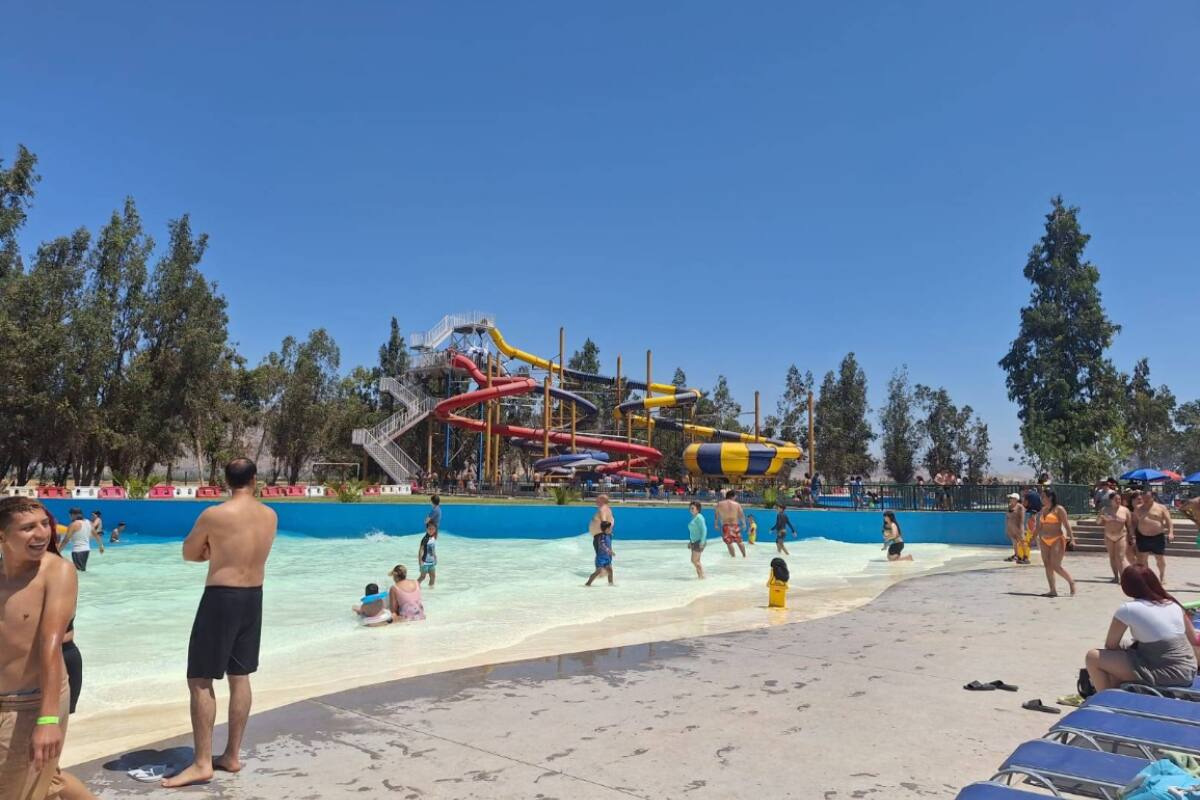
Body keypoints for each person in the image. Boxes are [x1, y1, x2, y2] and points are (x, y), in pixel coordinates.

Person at [164, 458, 277, 789]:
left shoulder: (215, 514)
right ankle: (231, 754)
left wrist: (208, 553)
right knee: (239, 676)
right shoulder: (270, 516)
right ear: (255, 479)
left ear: (226, 480)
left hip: (221, 598)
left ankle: (202, 763)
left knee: (199, 679)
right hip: (253, 597)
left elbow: (188, 552)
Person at [0, 497, 97, 800]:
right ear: (2, 537)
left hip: (33, 699)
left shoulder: (56, 572)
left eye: (44, 524)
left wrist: (47, 720)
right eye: (28, 528)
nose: (42, 533)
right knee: (46, 777)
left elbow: (50, 645)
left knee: (15, 788)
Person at [1085, 565, 1198, 692]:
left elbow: (1110, 645)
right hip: (1188, 669)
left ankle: (1104, 698)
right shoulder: (1172, 604)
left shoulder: (1128, 609)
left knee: (1093, 657)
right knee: (1124, 645)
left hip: (1168, 673)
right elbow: (1193, 639)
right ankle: (1116, 686)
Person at [1035, 488, 1076, 598]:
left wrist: (1072, 538)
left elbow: (1067, 525)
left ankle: (1071, 582)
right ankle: (1052, 590)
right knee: (1047, 565)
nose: (1041, 498)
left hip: (1057, 539)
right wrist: (1030, 540)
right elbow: (1038, 527)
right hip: (1044, 540)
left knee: (1055, 565)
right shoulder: (1042, 510)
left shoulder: (1059, 509)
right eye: (1041, 496)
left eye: (1043, 496)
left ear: (1050, 497)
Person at [1132, 489, 1175, 584]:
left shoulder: (1161, 507)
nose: (1145, 500)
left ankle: (1162, 576)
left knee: (1160, 559)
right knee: (1142, 559)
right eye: (1144, 498)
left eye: (1148, 498)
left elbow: (1169, 521)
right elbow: (1134, 522)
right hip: (1142, 536)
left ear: (1153, 497)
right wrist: (1133, 534)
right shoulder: (1138, 508)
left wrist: (1170, 532)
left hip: (1157, 536)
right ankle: (1146, 577)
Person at [1098, 490, 1132, 582]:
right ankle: (1116, 577)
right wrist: (1102, 518)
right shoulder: (1105, 509)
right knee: (1112, 556)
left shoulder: (1125, 510)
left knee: (1120, 556)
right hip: (1109, 535)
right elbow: (1098, 522)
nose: (1118, 501)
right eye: (1116, 499)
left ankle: (1123, 577)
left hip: (1121, 535)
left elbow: (1129, 525)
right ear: (1111, 500)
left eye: (1119, 499)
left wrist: (1131, 536)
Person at [715, 490, 747, 558]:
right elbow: (741, 515)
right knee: (739, 541)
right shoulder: (737, 504)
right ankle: (744, 556)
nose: (736, 497)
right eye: (735, 496)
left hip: (726, 525)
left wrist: (716, 524)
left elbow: (716, 515)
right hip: (735, 525)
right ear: (732, 496)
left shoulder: (720, 504)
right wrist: (744, 524)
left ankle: (733, 557)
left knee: (729, 543)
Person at [585, 520, 614, 586]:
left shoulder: (609, 536)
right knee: (598, 571)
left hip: (607, 557)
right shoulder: (602, 536)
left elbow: (609, 545)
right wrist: (608, 550)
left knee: (610, 570)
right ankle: (588, 583)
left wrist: (610, 554)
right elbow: (602, 544)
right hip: (600, 558)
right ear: (606, 529)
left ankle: (611, 584)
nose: (611, 529)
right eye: (610, 528)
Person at [1004, 493, 1028, 564]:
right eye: (1010, 498)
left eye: (1012, 498)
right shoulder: (1010, 506)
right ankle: (1017, 555)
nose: (1010, 499)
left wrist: (1020, 529)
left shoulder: (1020, 507)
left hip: (1018, 528)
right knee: (1014, 542)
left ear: (1016, 499)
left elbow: (1022, 519)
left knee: (1022, 541)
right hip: (1011, 528)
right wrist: (1007, 528)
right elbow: (1007, 517)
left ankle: (1025, 556)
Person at [687, 501, 706, 579]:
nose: (691, 509)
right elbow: (694, 532)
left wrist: (702, 542)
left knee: (694, 561)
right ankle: (700, 577)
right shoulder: (694, 517)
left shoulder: (699, 517)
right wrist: (690, 542)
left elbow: (704, 529)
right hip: (694, 542)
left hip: (699, 541)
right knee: (696, 561)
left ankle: (702, 576)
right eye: (690, 508)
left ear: (698, 509)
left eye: (692, 508)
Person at [417, 522, 438, 588]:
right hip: (424, 562)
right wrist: (420, 562)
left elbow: (433, 548)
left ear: (435, 529)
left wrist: (435, 557)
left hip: (431, 562)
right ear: (426, 529)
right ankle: (415, 586)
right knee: (423, 577)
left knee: (433, 576)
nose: (431, 530)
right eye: (429, 529)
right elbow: (421, 550)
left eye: (433, 529)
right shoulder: (425, 539)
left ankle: (430, 590)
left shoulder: (433, 537)